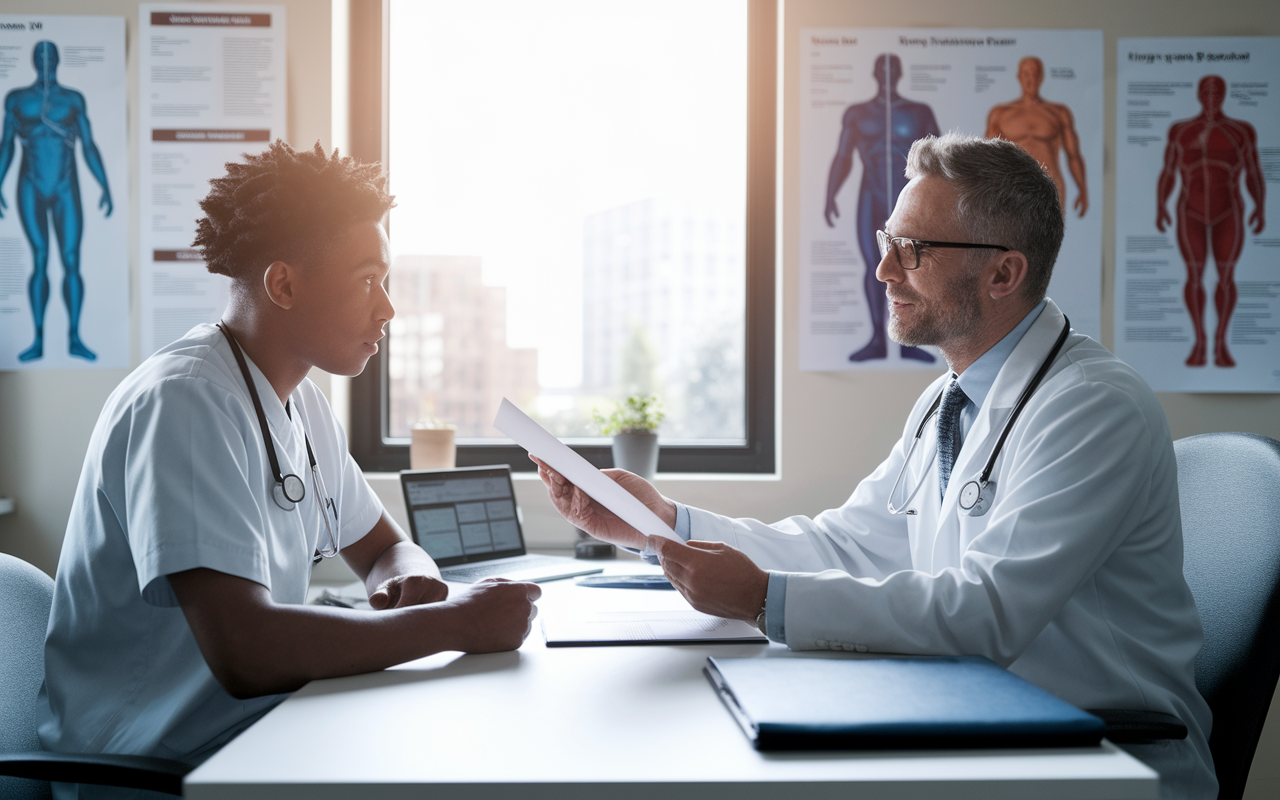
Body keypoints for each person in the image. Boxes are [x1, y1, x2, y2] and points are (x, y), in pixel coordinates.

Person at [538, 133, 1216, 799]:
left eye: (913, 250)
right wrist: (664, 523)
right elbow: (847, 545)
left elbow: (987, 613)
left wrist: (761, 599)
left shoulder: (1093, 408)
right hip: (987, 722)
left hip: (1106, 753)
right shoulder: (948, 401)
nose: (885, 270)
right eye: (888, 243)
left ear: (1004, 273)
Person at [37, 141, 540, 797]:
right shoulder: (185, 401)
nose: (387, 307)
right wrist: (455, 624)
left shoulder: (297, 401)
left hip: (247, 738)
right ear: (284, 284)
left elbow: (386, 547)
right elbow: (248, 651)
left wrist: (410, 581)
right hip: (151, 770)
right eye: (367, 279)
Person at [0, 41, 113, 362]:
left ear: (59, 60)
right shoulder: (17, 99)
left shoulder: (72, 100)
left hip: (66, 186)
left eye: (51, 56)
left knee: (71, 259)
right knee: (39, 257)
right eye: (40, 55)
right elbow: (6, 144)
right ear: (33, 61)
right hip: (30, 184)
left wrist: (105, 185)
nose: (46, 61)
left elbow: (89, 146)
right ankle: (37, 340)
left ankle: (74, 337)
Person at [824, 53, 940, 364]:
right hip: (870, 194)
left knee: (913, 268)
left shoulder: (918, 112)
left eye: (893, 70)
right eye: (882, 69)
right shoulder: (858, 114)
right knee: (874, 268)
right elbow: (843, 156)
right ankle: (878, 338)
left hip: (907, 202)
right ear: (875, 73)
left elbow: (941, 163)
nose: (888, 75)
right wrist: (830, 195)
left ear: (900, 73)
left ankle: (909, 340)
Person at [1157, 74, 1266, 368]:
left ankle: (1221, 345)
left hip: (1228, 210)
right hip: (1189, 209)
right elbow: (1168, 172)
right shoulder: (1182, 130)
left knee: (1226, 275)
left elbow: (1254, 172)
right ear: (1199, 94)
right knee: (1194, 275)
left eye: (1217, 91)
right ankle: (1200, 343)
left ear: (1224, 95)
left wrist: (1260, 208)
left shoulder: (1240, 131)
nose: (1212, 96)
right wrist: (1160, 206)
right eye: (1207, 91)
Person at [985, 55, 1088, 218]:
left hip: (1050, 186)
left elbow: (1073, 155)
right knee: (1014, 240)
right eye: (1026, 74)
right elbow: (989, 158)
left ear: (1041, 77)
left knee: (1049, 240)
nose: (1030, 79)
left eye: (1035, 73)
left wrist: (1083, 190)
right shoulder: (1001, 114)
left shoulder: (1058, 113)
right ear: (1019, 77)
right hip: (1014, 186)